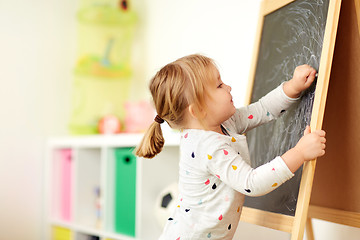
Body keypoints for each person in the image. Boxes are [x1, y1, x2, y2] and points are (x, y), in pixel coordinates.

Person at [136, 54, 326, 240]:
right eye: (219, 85)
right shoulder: (209, 147)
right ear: (198, 110)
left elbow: (261, 110)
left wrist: (292, 87)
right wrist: (300, 153)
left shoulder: (223, 123)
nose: (228, 87)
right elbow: (252, 183)